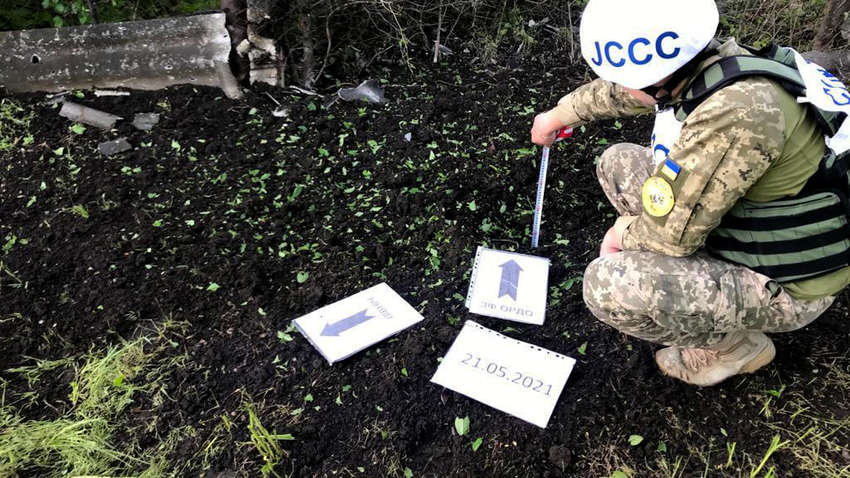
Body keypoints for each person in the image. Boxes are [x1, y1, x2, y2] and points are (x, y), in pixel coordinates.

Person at [530, 0, 850, 386]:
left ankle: (737, 348)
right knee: (618, 163)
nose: (625, 85)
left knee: (607, 285)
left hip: (793, 280)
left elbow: (668, 237)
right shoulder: (717, 63)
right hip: (775, 221)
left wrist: (621, 233)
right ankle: (700, 282)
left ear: (658, 75)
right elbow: (627, 93)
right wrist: (559, 116)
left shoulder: (737, 113)